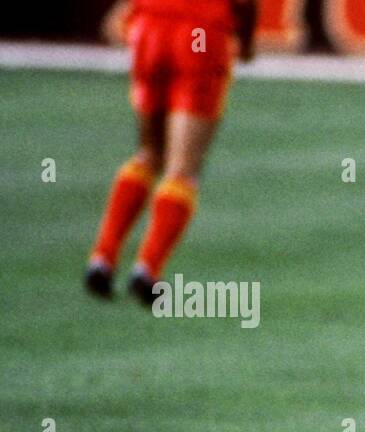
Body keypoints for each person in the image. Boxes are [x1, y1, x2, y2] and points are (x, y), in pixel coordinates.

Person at [85, 0, 257, 303]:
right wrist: (247, 41)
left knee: (149, 153)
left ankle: (103, 256)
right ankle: (147, 269)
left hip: (150, 24)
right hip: (200, 29)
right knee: (183, 168)